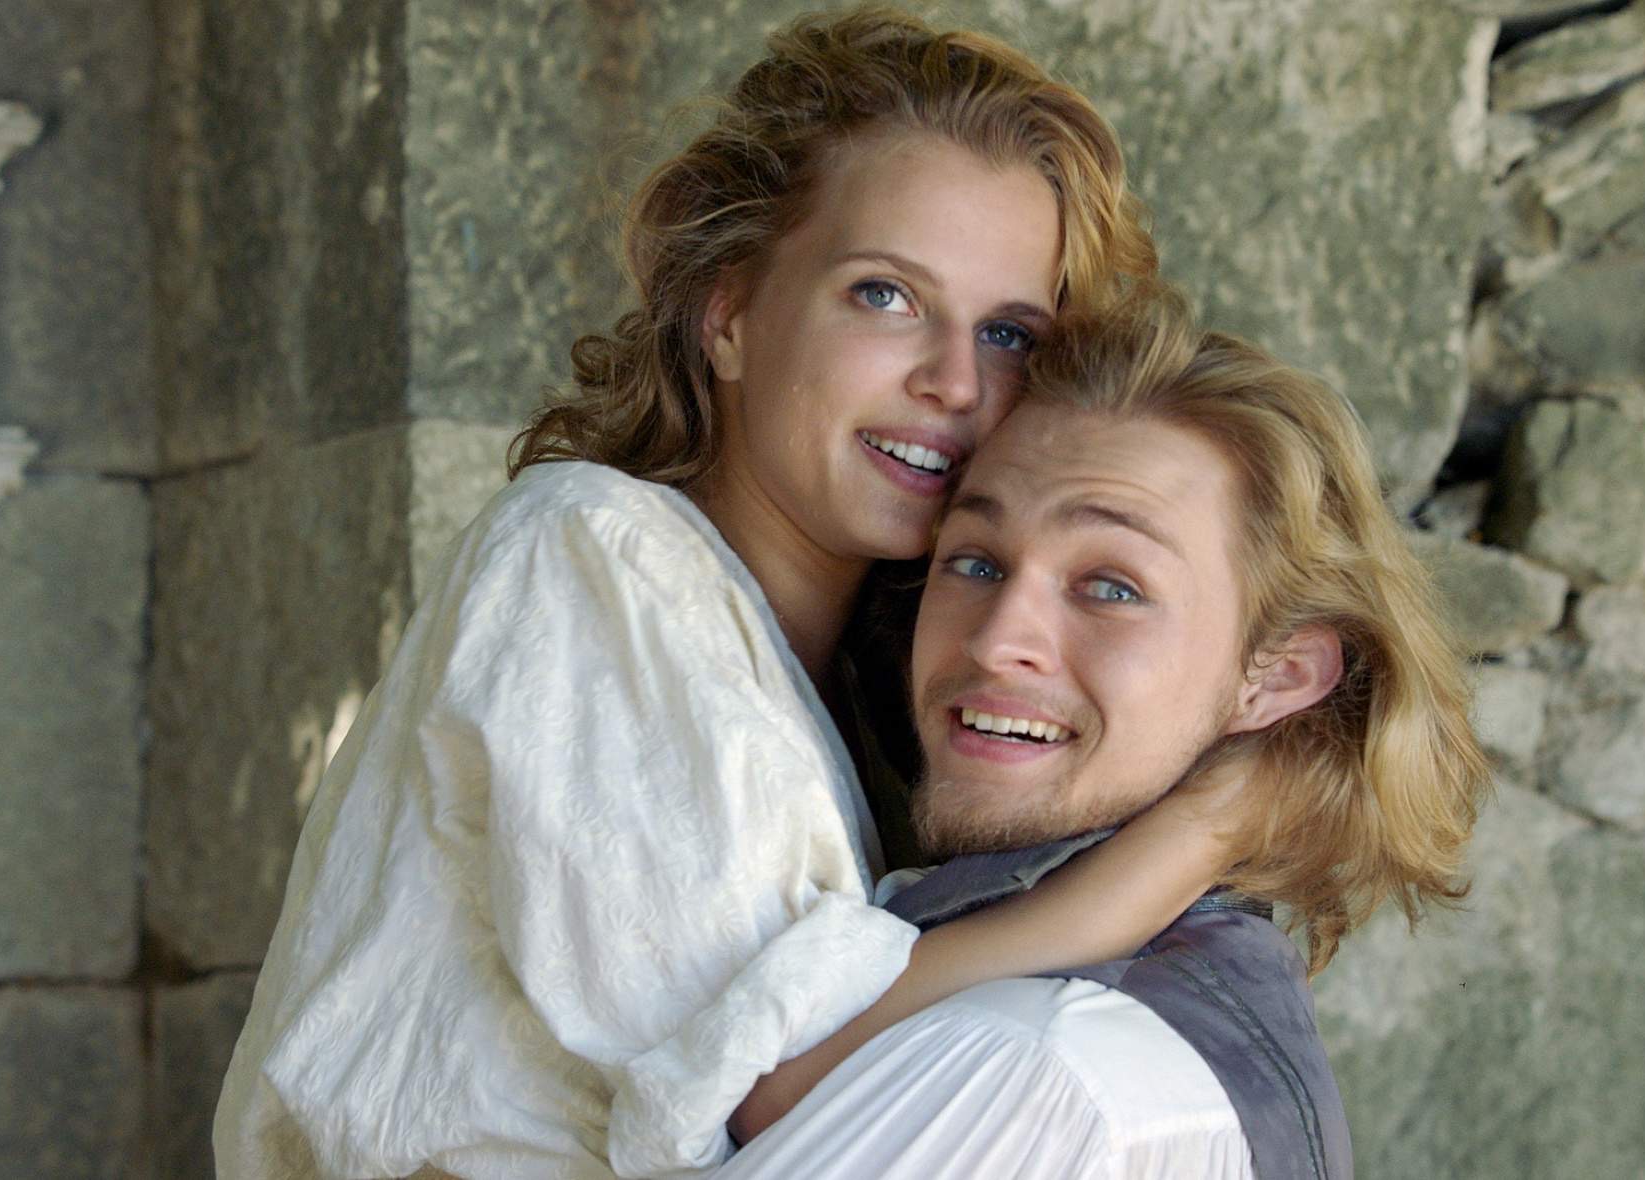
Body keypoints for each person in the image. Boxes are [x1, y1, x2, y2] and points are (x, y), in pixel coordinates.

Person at [211, 8, 1240, 1179]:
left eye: (1008, 333)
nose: (954, 381)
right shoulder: (586, 554)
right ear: (729, 312)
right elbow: (759, 1088)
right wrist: (1195, 838)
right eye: (884, 295)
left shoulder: (872, 676)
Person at [720, 285, 1492, 1178]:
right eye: (976, 563)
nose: (997, 640)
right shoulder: (1090, 1005)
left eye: (1112, 588)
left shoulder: (1034, 1069)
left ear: (1278, 676)